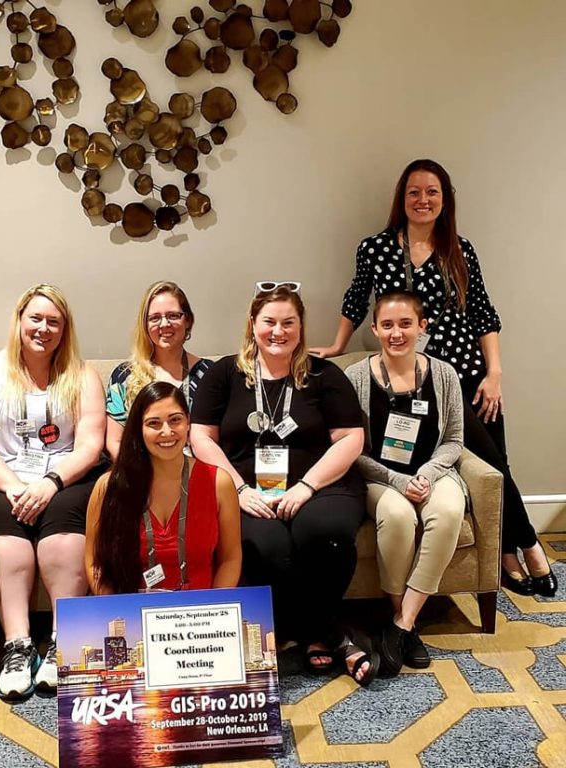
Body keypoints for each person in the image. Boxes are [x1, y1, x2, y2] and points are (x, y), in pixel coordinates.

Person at [309, 159, 557, 597]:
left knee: (495, 466)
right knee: (491, 466)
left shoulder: (458, 249)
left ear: (445, 200)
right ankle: (530, 549)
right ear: (401, 199)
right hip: (415, 380)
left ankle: (508, 552)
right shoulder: (376, 248)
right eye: (414, 192)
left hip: (466, 375)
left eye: (432, 192)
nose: (422, 200)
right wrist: (336, 345)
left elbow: (482, 313)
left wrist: (495, 373)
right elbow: (356, 299)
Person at [190, 282, 378, 686]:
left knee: (324, 532)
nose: (278, 331)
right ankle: (329, 632)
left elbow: (351, 439)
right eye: (269, 322)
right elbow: (200, 437)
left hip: (322, 486)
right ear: (252, 324)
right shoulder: (224, 373)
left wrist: (307, 487)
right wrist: (239, 489)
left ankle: (310, 631)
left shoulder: (325, 374)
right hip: (246, 490)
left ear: (301, 326)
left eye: (288, 323)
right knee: (267, 545)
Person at [0, 284, 106, 700]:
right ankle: (18, 645)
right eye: (35, 319)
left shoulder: (83, 375)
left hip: (66, 476)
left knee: (64, 523)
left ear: (65, 330)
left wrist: (50, 483)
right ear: (19, 321)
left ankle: (64, 641)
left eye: (54, 322)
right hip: (6, 476)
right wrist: (14, 487)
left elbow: (90, 446)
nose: (43, 329)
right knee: (1, 525)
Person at [346, 292, 466, 675]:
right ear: (375, 329)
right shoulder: (355, 378)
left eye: (405, 324)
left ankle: (401, 624)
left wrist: (426, 475)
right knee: (397, 515)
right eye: (387, 325)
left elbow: (454, 441)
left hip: (433, 474)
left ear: (421, 327)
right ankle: (402, 619)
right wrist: (398, 481)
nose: (396, 333)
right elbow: (351, 449)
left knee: (449, 511)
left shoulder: (444, 375)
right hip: (378, 478)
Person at [86, 381, 242, 594]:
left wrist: (215, 607)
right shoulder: (108, 487)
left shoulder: (219, 483)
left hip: (201, 610)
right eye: (154, 423)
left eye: (175, 420)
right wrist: (116, 608)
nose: (167, 432)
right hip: (132, 609)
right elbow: (95, 562)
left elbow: (230, 559)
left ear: (188, 422)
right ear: (138, 429)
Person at [105, 281, 211, 461]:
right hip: (139, 469)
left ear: (188, 320)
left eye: (173, 315)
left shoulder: (209, 374)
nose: (164, 324)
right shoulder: (124, 376)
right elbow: (115, 441)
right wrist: (137, 472)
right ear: (145, 325)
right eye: (154, 318)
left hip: (196, 469)